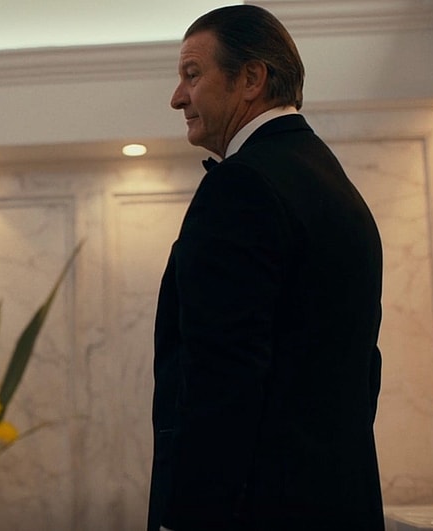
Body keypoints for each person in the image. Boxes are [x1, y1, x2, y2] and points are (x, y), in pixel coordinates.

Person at [149, 5, 384, 530]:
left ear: (251, 78)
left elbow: (221, 378)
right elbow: (361, 372)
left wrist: (188, 516)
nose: (177, 97)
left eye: (192, 74)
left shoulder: (241, 186)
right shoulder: (331, 181)